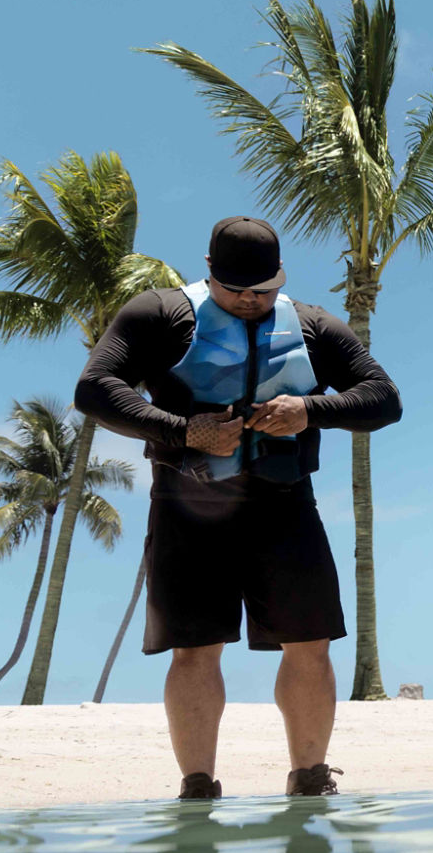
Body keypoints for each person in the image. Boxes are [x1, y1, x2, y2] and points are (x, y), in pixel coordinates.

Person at [75, 216, 402, 799]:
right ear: (209, 274)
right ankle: (197, 785)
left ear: (280, 279)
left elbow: (383, 398)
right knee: (195, 649)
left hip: (284, 505)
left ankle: (310, 776)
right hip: (187, 504)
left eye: (264, 290)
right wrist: (183, 430)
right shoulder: (158, 313)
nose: (251, 301)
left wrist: (311, 410)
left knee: (310, 643)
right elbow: (97, 388)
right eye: (237, 292)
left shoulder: (312, 325)